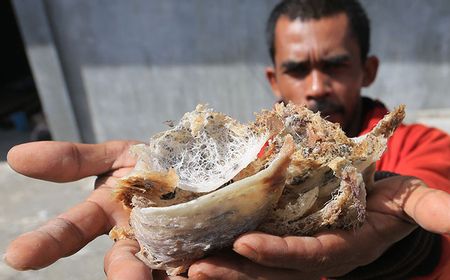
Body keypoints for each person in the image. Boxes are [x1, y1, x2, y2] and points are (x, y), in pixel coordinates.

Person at [4, 0, 450, 279]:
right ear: (273, 79)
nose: (316, 86)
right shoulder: (251, 148)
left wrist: (400, 245)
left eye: (334, 65)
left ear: (367, 70)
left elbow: (431, 228)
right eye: (297, 69)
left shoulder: (421, 146)